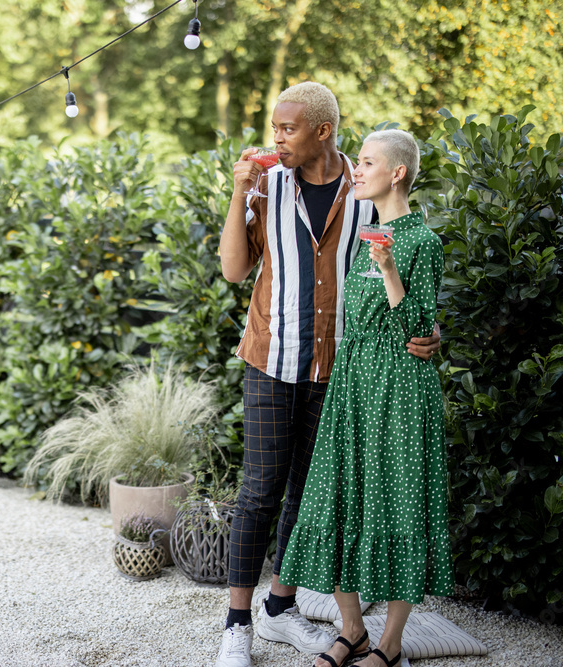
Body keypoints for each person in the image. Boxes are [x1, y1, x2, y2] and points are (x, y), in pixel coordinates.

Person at [214, 83, 440, 667]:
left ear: (323, 131)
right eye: (274, 128)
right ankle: (238, 626)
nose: (276, 138)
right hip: (272, 355)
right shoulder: (265, 183)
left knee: (311, 494)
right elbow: (236, 270)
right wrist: (238, 192)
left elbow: (407, 286)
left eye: (287, 128)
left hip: (343, 370)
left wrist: (430, 332)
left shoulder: (366, 189)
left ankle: (280, 608)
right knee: (260, 490)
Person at [277, 130, 453, 667]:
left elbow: (419, 324)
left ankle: (391, 644)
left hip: (400, 385)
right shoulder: (367, 231)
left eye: (369, 163)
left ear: (396, 173)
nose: (358, 169)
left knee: (398, 501)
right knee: (336, 494)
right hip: (354, 381)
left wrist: (390, 270)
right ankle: (351, 629)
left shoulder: (420, 241)